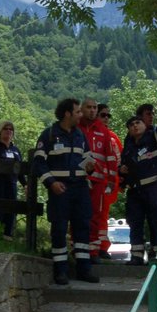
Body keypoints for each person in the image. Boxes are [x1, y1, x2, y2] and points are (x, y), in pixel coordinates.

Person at [33, 98, 99, 285]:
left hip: (79, 189)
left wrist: (91, 167)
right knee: (59, 229)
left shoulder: (80, 136)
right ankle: (60, 271)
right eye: (78, 112)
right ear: (67, 114)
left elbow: (87, 160)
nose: (81, 115)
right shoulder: (49, 135)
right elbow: (38, 163)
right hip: (59, 191)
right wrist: (51, 183)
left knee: (83, 229)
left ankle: (84, 270)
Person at [119, 114, 157, 264]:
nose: (135, 126)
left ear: (145, 125)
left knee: (155, 222)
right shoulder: (129, 145)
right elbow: (123, 165)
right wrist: (122, 171)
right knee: (135, 223)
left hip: (153, 188)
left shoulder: (153, 138)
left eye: (138, 123)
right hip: (134, 191)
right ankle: (137, 257)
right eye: (131, 125)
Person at [79, 97, 118, 260]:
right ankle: (79, 249)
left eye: (95, 107)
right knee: (79, 215)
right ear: (82, 109)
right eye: (89, 107)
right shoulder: (76, 128)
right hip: (79, 179)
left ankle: (93, 251)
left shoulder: (103, 130)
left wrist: (111, 179)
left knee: (96, 216)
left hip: (99, 182)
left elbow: (110, 157)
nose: (92, 110)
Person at [97, 103, 122, 257]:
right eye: (103, 115)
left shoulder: (113, 137)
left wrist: (120, 180)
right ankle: (93, 245)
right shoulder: (88, 134)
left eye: (108, 115)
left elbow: (121, 160)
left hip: (109, 183)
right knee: (92, 214)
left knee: (104, 214)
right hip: (93, 181)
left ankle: (102, 245)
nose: (106, 118)